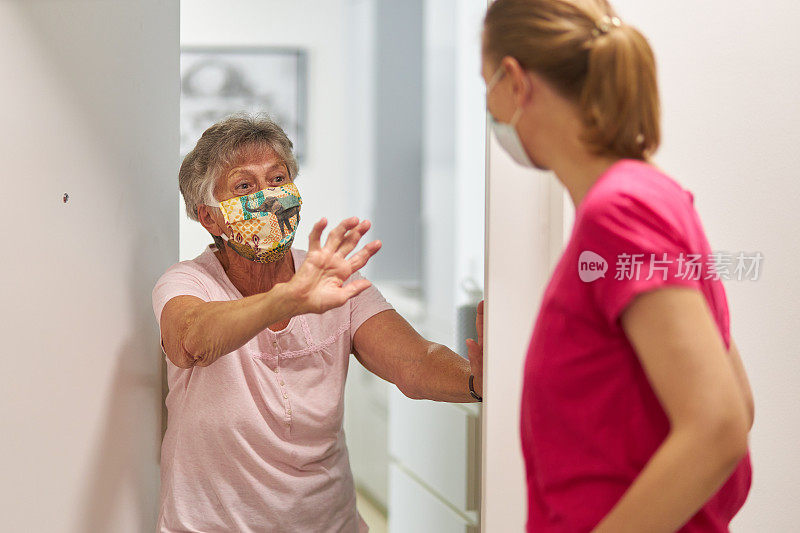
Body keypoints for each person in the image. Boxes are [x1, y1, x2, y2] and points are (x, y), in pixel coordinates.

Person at [480, 0, 753, 531]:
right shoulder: (655, 194)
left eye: (485, 83)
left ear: (515, 81)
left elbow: (719, 425)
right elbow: (736, 399)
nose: (488, 106)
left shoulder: (618, 213)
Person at [151, 114, 484, 532]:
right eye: (245, 186)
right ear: (210, 218)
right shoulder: (188, 281)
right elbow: (190, 338)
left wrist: (477, 381)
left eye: (278, 179)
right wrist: (286, 299)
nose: (269, 197)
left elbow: (415, 362)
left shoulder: (335, 283)